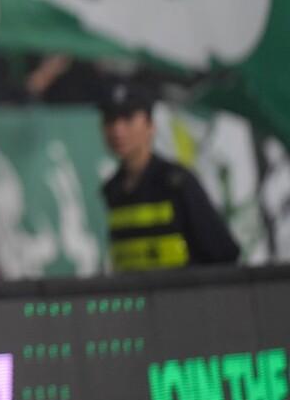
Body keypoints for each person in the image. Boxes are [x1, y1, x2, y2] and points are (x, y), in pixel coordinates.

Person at [99, 80, 240, 272]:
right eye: (110, 120)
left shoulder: (177, 183)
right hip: (136, 291)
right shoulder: (112, 190)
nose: (117, 130)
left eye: (128, 119)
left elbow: (223, 252)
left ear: (150, 125)